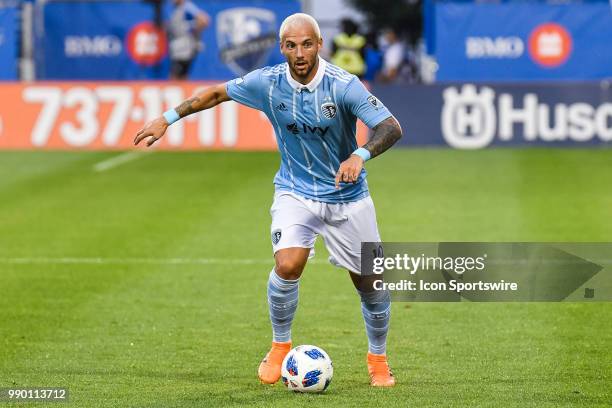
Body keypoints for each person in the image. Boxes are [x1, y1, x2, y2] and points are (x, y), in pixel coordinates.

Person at [134, 13, 402, 387]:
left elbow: (391, 127)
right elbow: (215, 93)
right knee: (288, 265)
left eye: (307, 44)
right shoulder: (268, 82)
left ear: (320, 45)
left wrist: (360, 155)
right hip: (295, 192)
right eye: (291, 46)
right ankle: (279, 346)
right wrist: (167, 117)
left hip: (348, 197)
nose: (299, 53)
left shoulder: (344, 86)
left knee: (371, 284)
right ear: (282, 48)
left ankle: (378, 360)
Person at [166, 0, 209, 80]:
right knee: (181, 76)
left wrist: (191, 28)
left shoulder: (187, 6)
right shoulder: (176, 8)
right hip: (177, 48)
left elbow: (204, 20)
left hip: (184, 49)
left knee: (174, 76)